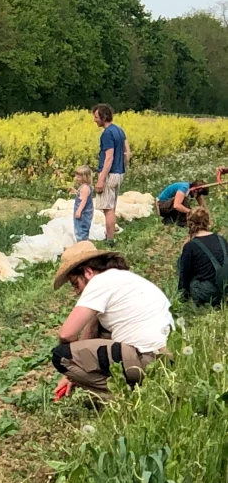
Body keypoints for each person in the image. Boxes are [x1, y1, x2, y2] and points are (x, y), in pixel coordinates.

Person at [51, 241, 173, 400]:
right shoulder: (124, 278)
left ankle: (120, 395)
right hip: (169, 356)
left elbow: (67, 334)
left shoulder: (98, 282)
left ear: (88, 272)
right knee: (103, 335)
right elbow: (92, 332)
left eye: (76, 284)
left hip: (145, 358)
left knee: (61, 355)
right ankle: (139, 387)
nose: (76, 292)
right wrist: (71, 375)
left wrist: (72, 363)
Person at [93, 104, 130, 247]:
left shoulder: (107, 134)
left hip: (110, 174)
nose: (95, 120)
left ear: (103, 117)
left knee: (108, 210)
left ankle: (109, 240)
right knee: (111, 208)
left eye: (96, 117)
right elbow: (128, 152)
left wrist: (101, 180)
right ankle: (110, 235)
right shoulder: (119, 130)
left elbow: (109, 158)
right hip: (119, 173)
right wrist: (122, 166)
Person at [178, 207, 228, 306]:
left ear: (190, 223)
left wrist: (182, 297)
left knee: (180, 262)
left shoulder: (190, 246)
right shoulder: (221, 239)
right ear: (208, 221)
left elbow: (185, 274)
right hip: (225, 289)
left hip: (208, 293)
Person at [70, 165, 94, 242]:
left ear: (85, 177)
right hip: (85, 212)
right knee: (82, 229)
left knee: (80, 230)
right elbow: (82, 196)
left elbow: (83, 201)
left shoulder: (84, 188)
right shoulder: (85, 186)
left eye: (79, 177)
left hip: (83, 213)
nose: (76, 178)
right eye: (76, 176)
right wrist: (76, 192)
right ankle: (83, 243)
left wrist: (79, 211)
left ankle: (82, 244)